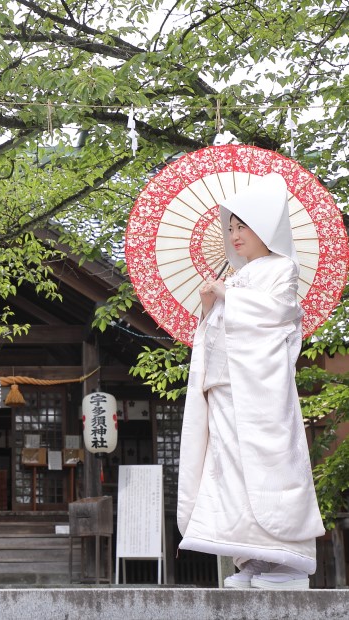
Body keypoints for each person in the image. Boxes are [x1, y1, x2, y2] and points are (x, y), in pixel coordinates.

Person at [177, 173, 325, 590]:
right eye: (231, 228)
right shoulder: (236, 276)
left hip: (261, 392)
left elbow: (279, 315)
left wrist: (229, 296)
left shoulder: (283, 268)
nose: (235, 234)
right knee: (228, 470)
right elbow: (216, 333)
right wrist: (208, 307)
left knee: (270, 467)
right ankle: (253, 561)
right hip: (226, 388)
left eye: (243, 225)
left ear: (266, 228)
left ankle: (289, 564)